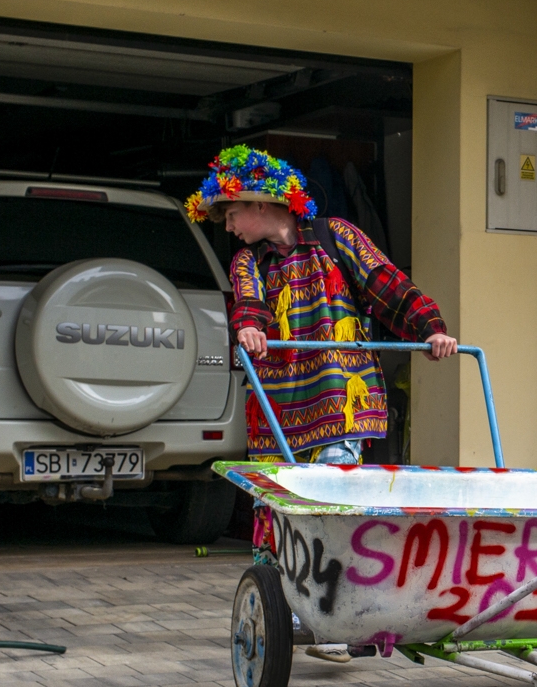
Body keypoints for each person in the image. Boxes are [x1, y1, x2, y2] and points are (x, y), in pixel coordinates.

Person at [185, 144, 456, 471]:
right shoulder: (248, 261)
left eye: (230, 215)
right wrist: (248, 327)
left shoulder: (336, 235)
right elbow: (248, 303)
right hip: (276, 419)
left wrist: (431, 330)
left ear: (259, 204)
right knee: (278, 516)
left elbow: (388, 285)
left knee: (327, 500)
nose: (227, 227)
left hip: (340, 406)